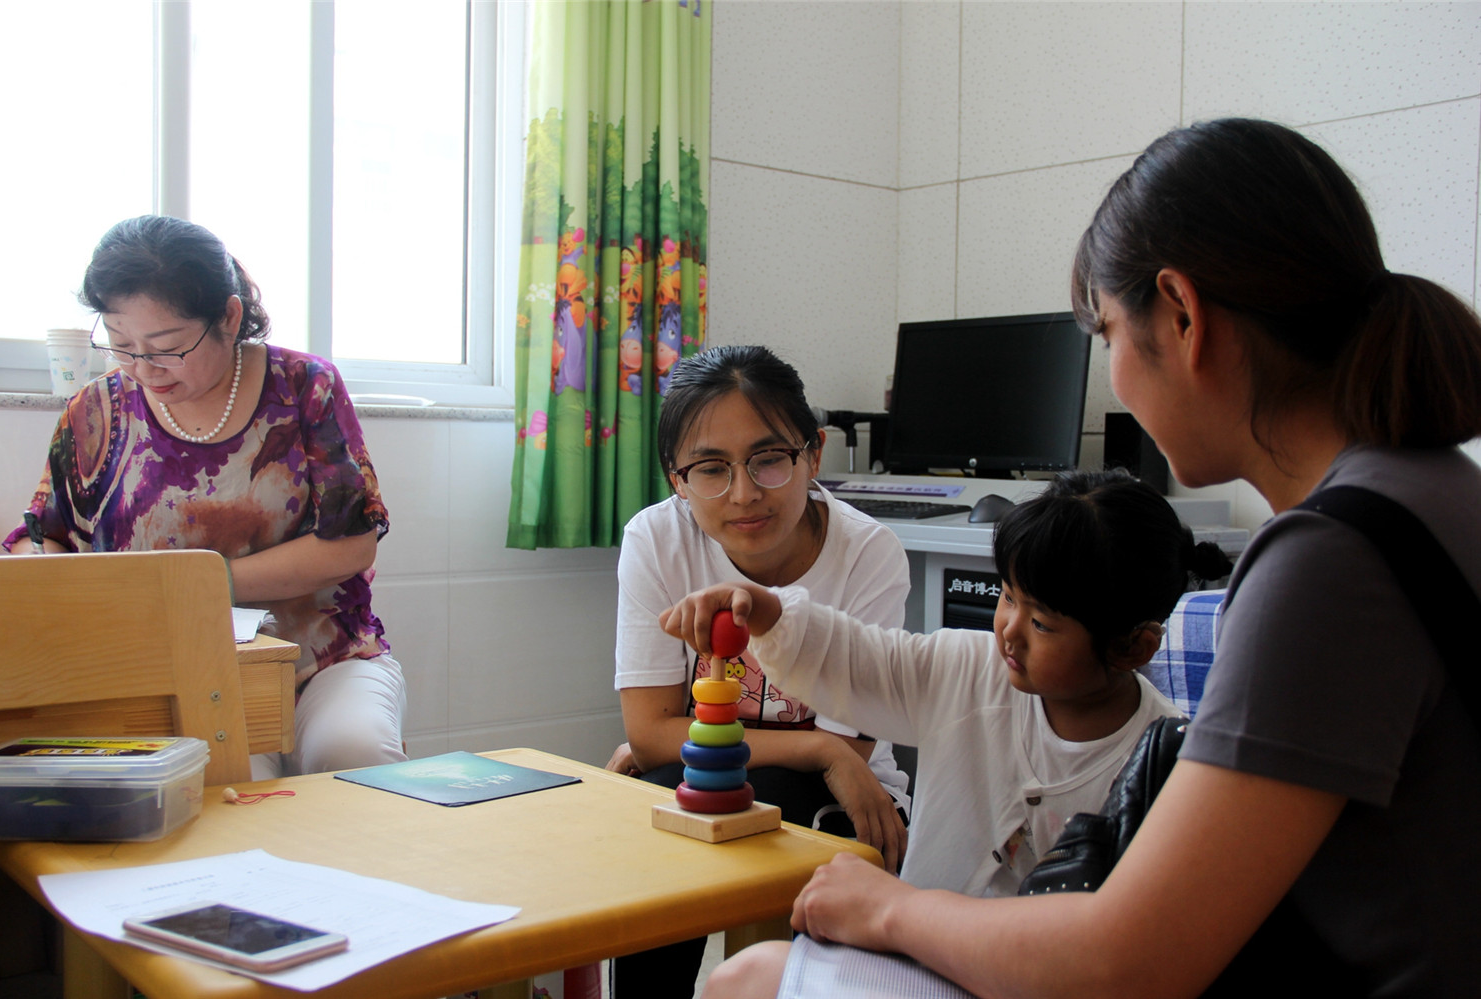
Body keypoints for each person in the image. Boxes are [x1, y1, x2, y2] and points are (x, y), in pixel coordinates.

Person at [706, 118, 1481, 999]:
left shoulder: (1329, 563)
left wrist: (884, 908)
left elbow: (1128, 959)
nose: (1113, 372)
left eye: (1108, 331)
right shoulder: (1435, 491)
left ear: (1182, 315)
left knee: (756, 978)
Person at [662, 470, 1220, 991]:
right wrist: (766, 612)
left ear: (1134, 647)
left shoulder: (1164, 765)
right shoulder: (971, 670)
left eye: (1043, 622)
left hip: (1028, 981)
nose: (1008, 630)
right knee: (740, 979)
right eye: (1007, 596)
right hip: (917, 961)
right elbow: (864, 663)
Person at [4, 215, 406, 781]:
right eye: (121, 346)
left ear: (229, 316)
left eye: (167, 348)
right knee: (229, 788)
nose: (144, 369)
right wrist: (62, 586)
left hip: (320, 660)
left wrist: (190, 585)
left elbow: (349, 547)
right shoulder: (95, 413)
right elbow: (39, 535)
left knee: (353, 760)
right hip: (170, 670)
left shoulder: (303, 388)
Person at [610, 344, 911, 997]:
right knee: (661, 808)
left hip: (838, 791)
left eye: (770, 459)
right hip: (772, 764)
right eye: (711, 468)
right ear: (676, 478)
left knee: (696, 787)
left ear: (814, 454)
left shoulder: (869, 554)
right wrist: (820, 746)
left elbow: (854, 742)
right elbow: (646, 732)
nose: (744, 493)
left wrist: (834, 753)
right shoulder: (656, 540)